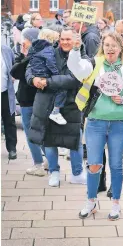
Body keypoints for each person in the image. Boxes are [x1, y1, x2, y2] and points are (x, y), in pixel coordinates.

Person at [67, 31, 123, 220]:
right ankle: (90, 201)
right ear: (102, 46)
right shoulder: (93, 63)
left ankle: (115, 203)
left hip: (119, 123)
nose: (110, 48)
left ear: (120, 48)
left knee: (116, 165)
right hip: (95, 122)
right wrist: (76, 50)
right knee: (93, 164)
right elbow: (76, 68)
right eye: (107, 45)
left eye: (114, 45)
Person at [25, 27, 86, 187]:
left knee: (75, 140)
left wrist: (48, 81)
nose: (65, 42)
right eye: (63, 39)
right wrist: (33, 79)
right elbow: (30, 68)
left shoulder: (82, 56)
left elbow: (75, 79)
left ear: (75, 40)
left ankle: (77, 173)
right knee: (48, 140)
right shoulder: (48, 51)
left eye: (69, 39)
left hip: (71, 105)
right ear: (59, 39)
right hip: (46, 103)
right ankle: (54, 172)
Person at [11, 28, 48, 174]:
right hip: (38, 99)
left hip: (28, 101)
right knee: (41, 132)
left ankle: (38, 164)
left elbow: (15, 71)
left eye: (24, 39)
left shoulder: (33, 57)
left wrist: (22, 53)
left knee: (31, 133)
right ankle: (49, 161)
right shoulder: (43, 54)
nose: (22, 41)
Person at [27, 29, 67, 125]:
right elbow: (50, 63)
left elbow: (30, 64)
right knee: (61, 91)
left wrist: (34, 77)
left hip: (38, 74)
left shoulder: (35, 47)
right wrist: (56, 74)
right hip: (45, 75)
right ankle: (56, 111)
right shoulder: (49, 49)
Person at [1, 43, 18, 160]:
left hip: (5, 92)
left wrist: (13, 75)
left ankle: (12, 148)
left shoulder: (6, 50)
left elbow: (13, 65)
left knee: (9, 120)